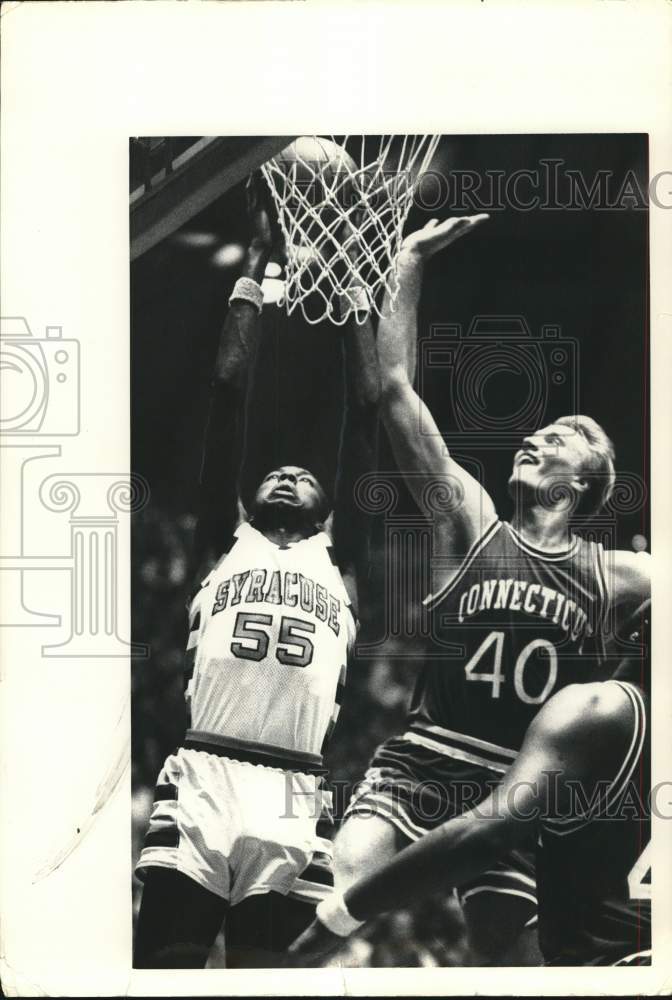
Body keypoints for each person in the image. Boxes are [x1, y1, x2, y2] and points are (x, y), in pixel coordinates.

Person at [334, 215, 651, 964]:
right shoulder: (469, 521)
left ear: (586, 482)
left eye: (558, 437)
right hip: (426, 757)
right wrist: (409, 259)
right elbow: (394, 389)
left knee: (511, 962)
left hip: (519, 784)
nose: (532, 437)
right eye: (534, 433)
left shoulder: (621, 577)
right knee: (346, 877)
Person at [133, 175, 380, 968]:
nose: (287, 473)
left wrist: (352, 288)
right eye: (275, 473)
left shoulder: (340, 560)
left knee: (266, 980)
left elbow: (365, 415)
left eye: (303, 476)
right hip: (204, 772)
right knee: (164, 970)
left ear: (328, 504)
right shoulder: (224, 541)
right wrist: (256, 271)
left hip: (296, 791)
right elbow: (228, 392)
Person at [288, 606, 651, 967]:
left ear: (638, 633)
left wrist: (340, 915)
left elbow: (487, 834)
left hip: (605, 971)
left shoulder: (601, 707)